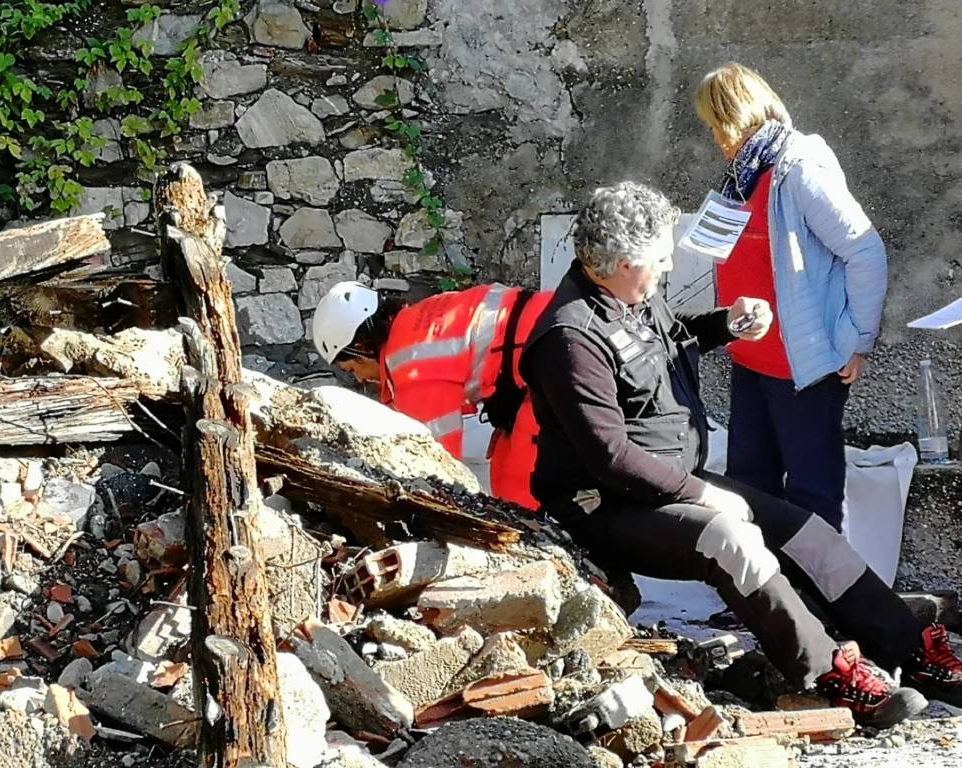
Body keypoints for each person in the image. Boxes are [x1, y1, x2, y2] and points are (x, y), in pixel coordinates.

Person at [520, 181, 962, 727]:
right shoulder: (569, 338)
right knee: (733, 540)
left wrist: (725, 324)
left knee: (810, 533)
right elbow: (610, 458)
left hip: (671, 481)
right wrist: (703, 494)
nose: (667, 268)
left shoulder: (630, 295)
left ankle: (910, 649)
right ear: (622, 263)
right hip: (605, 506)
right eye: (660, 259)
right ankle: (831, 675)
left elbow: (669, 337)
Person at [694, 62, 888, 531]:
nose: (715, 138)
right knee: (748, 490)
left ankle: (818, 583)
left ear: (738, 116)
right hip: (750, 358)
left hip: (804, 367)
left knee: (812, 496)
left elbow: (865, 251)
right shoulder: (743, 172)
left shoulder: (798, 169)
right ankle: (763, 582)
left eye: (717, 124)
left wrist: (857, 340)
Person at [313, 281, 551, 510]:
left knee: (519, 494)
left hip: (550, 361)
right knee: (503, 471)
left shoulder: (410, 367)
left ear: (362, 348)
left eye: (352, 369)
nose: (359, 379)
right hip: (546, 343)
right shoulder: (414, 325)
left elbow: (437, 466)